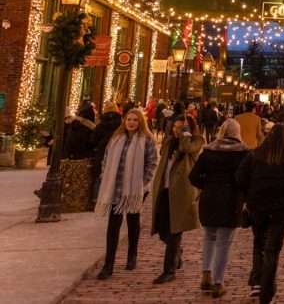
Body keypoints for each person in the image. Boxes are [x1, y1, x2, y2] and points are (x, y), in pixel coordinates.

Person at [236, 123, 284, 303]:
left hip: (257, 206)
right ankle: (266, 293)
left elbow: (240, 178)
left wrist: (249, 194)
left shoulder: (255, 154)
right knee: (272, 250)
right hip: (281, 208)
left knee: (259, 244)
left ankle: (257, 283)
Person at [94, 108, 158, 280]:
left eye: (135, 120)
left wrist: (142, 183)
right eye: (129, 119)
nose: (131, 123)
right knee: (113, 225)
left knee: (132, 221)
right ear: (124, 121)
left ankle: (132, 256)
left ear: (141, 122)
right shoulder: (116, 139)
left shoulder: (147, 139)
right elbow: (106, 160)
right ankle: (109, 265)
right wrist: (104, 175)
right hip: (115, 186)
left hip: (135, 189)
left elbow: (152, 163)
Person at [189, 118, 249, 298]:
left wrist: (206, 185)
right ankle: (218, 281)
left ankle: (205, 274)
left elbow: (193, 176)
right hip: (231, 199)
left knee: (209, 236)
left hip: (209, 198)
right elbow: (244, 179)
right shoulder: (243, 153)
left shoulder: (209, 151)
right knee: (224, 242)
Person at [151, 114, 203, 284]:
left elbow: (187, 148)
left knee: (174, 232)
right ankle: (177, 252)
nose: (176, 131)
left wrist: (185, 133)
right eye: (175, 127)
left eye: (180, 128)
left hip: (180, 192)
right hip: (164, 190)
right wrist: (172, 129)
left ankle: (169, 270)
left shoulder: (197, 140)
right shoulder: (168, 141)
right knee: (162, 230)